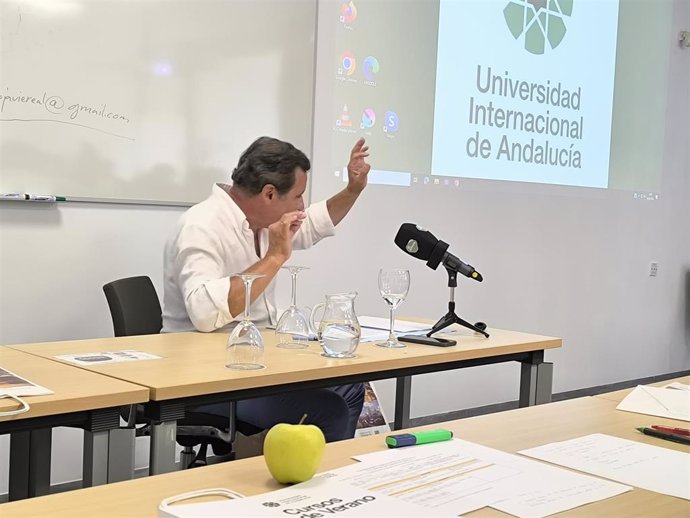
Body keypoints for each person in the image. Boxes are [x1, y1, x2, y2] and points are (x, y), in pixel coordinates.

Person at [162, 136, 371, 442]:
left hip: (256, 362)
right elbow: (205, 314)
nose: (301, 207)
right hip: (206, 376)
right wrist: (274, 257)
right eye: (298, 196)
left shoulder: (259, 220)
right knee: (330, 410)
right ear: (269, 194)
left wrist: (353, 190)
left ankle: (316, 470)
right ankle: (316, 484)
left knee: (351, 388)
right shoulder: (201, 226)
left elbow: (313, 223)